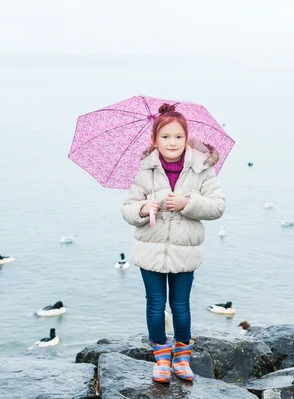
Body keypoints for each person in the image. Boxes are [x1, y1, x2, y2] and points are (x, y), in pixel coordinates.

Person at [122, 103, 225, 383]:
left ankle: (182, 355)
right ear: (154, 140)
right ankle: (161, 356)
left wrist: (187, 203)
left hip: (184, 252)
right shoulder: (146, 170)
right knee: (155, 305)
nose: (172, 142)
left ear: (186, 138)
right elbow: (128, 209)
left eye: (178, 137)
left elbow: (217, 207)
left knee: (180, 306)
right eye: (165, 137)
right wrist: (144, 209)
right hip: (150, 250)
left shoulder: (202, 169)